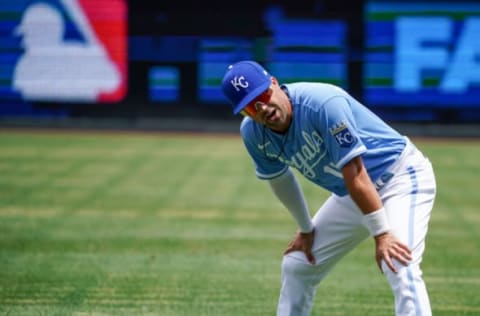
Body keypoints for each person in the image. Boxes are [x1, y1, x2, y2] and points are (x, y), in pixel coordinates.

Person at [221, 60, 436, 316]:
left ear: (275, 83)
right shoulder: (253, 134)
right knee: (298, 264)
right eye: (250, 107)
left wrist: (382, 234)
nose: (263, 108)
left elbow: (355, 172)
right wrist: (306, 228)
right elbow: (280, 180)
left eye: (263, 95)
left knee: (398, 262)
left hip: (400, 177)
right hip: (353, 192)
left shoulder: (321, 103)